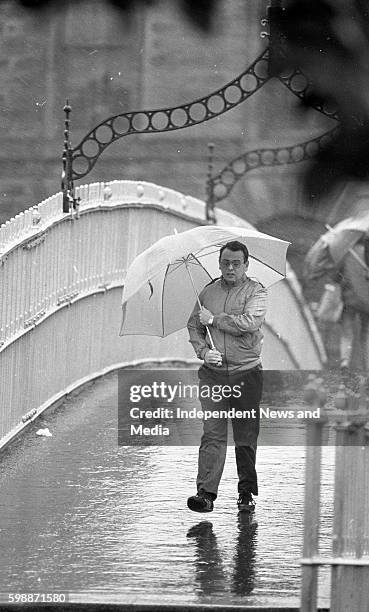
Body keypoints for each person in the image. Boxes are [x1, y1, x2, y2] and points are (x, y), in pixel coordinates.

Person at [186, 240, 267, 513]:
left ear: (246, 265)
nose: (230, 268)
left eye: (236, 263)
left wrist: (215, 320)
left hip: (246, 374)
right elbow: (193, 325)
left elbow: (249, 322)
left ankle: (246, 493)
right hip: (213, 375)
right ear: (219, 264)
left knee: (245, 435)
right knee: (213, 434)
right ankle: (205, 494)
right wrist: (204, 351)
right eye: (225, 263)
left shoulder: (256, 291)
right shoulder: (207, 293)